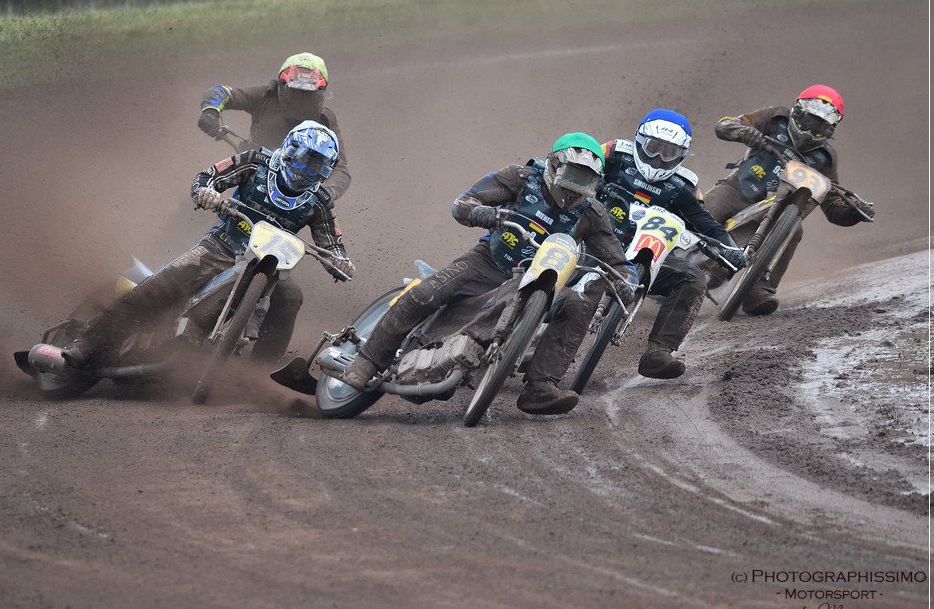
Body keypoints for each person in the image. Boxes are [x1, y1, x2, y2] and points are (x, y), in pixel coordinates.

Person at [339, 133, 637, 415]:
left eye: (585, 181)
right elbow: (463, 203)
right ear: (554, 164)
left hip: (543, 282)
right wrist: (480, 212)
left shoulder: (592, 213)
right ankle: (367, 361)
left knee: (576, 304)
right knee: (425, 292)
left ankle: (541, 387)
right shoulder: (521, 177)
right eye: (573, 176)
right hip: (486, 263)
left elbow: (619, 261)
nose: (575, 189)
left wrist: (626, 281)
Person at [62, 121, 354, 369]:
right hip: (221, 247)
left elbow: (332, 242)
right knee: (162, 286)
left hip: (269, 270)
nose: (306, 169)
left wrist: (339, 261)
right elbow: (208, 176)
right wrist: (207, 191)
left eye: (316, 166)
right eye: (304, 158)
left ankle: (261, 372)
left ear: (325, 171)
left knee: (291, 296)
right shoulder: (256, 162)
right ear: (290, 150)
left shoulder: (319, 202)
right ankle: (88, 344)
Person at [591, 109, 746, 379]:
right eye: (653, 148)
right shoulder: (613, 153)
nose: (659, 158)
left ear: (682, 155)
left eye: (669, 153)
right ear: (639, 140)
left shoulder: (685, 185)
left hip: (647, 255)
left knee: (692, 278)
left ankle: (658, 352)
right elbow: (574, 169)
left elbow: (705, 222)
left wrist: (730, 248)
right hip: (590, 239)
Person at [703, 84, 875, 315]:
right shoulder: (776, 118)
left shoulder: (825, 157)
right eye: (808, 122)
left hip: (780, 210)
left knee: (795, 231)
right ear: (796, 113)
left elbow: (833, 207)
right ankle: (668, 256)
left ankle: (760, 289)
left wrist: (855, 212)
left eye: (819, 128)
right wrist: (745, 132)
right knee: (705, 210)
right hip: (737, 189)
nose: (810, 131)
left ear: (831, 130)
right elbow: (724, 125)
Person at [197, 52, 351, 201]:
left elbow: (341, 170)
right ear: (281, 86)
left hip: (299, 191)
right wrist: (210, 112)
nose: (300, 100)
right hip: (252, 171)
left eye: (306, 95)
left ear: (321, 93)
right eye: (296, 92)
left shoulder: (324, 120)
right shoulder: (265, 97)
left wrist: (325, 194)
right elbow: (221, 93)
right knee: (217, 197)